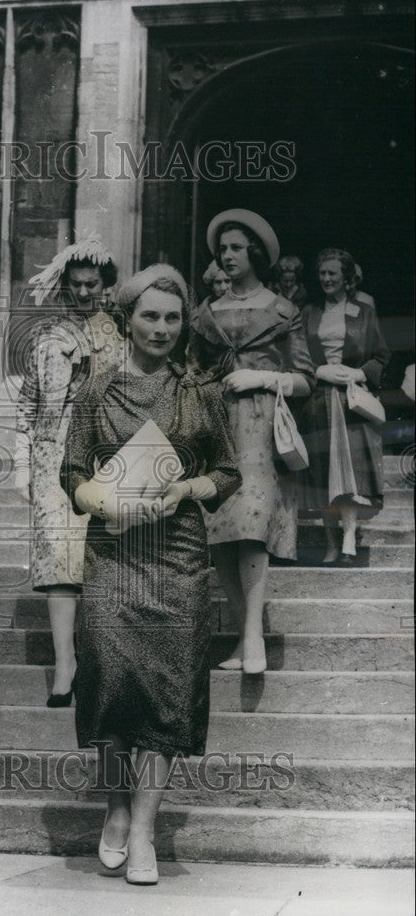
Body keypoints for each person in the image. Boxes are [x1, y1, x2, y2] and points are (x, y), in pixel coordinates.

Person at [60, 263, 241, 884]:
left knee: (167, 691)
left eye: (172, 317)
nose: (161, 328)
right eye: (150, 316)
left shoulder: (200, 392)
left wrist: (189, 485)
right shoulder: (96, 390)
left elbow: (228, 471)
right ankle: (115, 808)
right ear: (126, 319)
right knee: (109, 683)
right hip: (113, 553)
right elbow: (71, 473)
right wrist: (101, 501)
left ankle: (143, 831)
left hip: (178, 556)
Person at [189, 209, 314, 673]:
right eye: (222, 249)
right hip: (213, 426)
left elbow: (306, 380)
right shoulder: (205, 314)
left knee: (252, 524)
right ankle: (244, 636)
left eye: (236, 248)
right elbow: (192, 370)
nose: (227, 256)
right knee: (219, 530)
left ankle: (255, 637)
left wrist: (262, 376)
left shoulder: (282, 311)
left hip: (259, 427)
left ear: (256, 253)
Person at [14, 236, 124, 706]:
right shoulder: (46, 337)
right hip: (50, 459)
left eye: (92, 285)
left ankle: (102, 660)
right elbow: (29, 402)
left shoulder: (118, 337)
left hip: (102, 457)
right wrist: (21, 458)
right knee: (57, 561)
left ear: (104, 285)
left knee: (99, 560)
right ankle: (65, 663)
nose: (83, 293)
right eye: (76, 284)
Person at [299, 248, 390, 564]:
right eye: (322, 274)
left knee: (349, 475)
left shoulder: (363, 312)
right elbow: (295, 355)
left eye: (332, 274)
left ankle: (349, 537)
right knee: (324, 473)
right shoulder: (308, 313)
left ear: (346, 278)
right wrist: (316, 370)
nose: (326, 279)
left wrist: (360, 372)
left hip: (351, 402)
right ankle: (330, 543)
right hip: (319, 400)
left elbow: (381, 355)